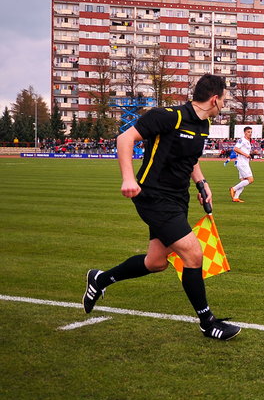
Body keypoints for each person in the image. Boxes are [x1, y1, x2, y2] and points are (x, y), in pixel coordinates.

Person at [83, 73, 240, 340]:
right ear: (214, 98)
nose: (225, 103)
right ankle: (207, 321)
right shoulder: (169, 116)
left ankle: (99, 279)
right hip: (153, 197)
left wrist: (202, 184)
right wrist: (128, 178)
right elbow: (124, 140)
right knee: (193, 254)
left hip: (179, 198)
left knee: (156, 262)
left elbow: (190, 159)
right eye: (225, 98)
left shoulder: (203, 125)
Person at [229, 126, 254, 202]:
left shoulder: (248, 141)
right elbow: (235, 149)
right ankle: (233, 188)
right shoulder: (242, 140)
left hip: (244, 162)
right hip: (242, 163)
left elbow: (245, 152)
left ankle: (235, 197)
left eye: (251, 132)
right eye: (248, 132)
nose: (250, 134)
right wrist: (246, 155)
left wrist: (252, 153)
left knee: (243, 181)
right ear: (245, 132)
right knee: (250, 180)